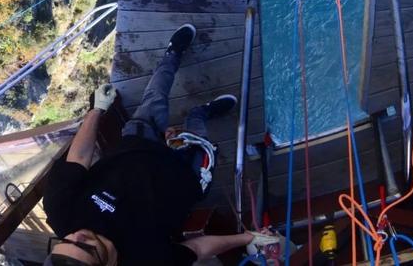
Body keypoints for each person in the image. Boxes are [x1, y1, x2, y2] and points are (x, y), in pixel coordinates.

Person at [42, 24, 256, 266]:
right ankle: (200, 114)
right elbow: (196, 248)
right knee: (199, 136)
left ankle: (172, 53)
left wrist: (97, 109)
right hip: (183, 177)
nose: (76, 236)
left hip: (135, 147)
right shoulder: (145, 261)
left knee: (154, 96)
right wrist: (246, 237)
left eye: (64, 242)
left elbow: (79, 157)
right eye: (84, 246)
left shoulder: (60, 209)